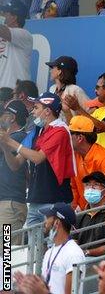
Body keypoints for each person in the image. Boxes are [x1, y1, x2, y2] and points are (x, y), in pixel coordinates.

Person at [0, 92, 74, 226]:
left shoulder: (60, 130)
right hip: (35, 200)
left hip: (54, 200)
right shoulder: (36, 131)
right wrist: (5, 146)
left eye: (36, 108)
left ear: (47, 111)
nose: (32, 111)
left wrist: (9, 141)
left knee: (52, 244)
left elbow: (38, 158)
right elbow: (15, 164)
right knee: (33, 247)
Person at [68, 115, 105, 211]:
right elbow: (74, 188)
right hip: (86, 213)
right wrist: (74, 210)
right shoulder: (75, 156)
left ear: (80, 138)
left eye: (69, 134)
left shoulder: (104, 159)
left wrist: (99, 214)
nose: (66, 138)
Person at [40, 203, 85, 294]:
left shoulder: (74, 253)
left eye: (48, 217)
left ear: (57, 223)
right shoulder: (49, 251)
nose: (45, 222)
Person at [0, 100, 28, 243]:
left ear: (12, 117)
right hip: (5, 203)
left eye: (3, 114)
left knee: (7, 254)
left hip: (10, 205)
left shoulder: (20, 137)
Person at [74, 171, 105, 258]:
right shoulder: (80, 215)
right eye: (87, 185)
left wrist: (87, 252)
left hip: (103, 261)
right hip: (80, 258)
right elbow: (74, 240)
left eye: (95, 185)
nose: (90, 188)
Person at [0, 0, 32, 88]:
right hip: (3, 94)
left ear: (14, 17)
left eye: (5, 13)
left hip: (17, 93)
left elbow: (4, 31)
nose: (2, 15)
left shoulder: (25, 35)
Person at [46, 56, 89, 122]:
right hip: (54, 130)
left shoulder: (75, 90)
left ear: (59, 71)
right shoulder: (52, 88)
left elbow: (90, 112)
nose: (50, 71)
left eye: (52, 68)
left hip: (70, 130)